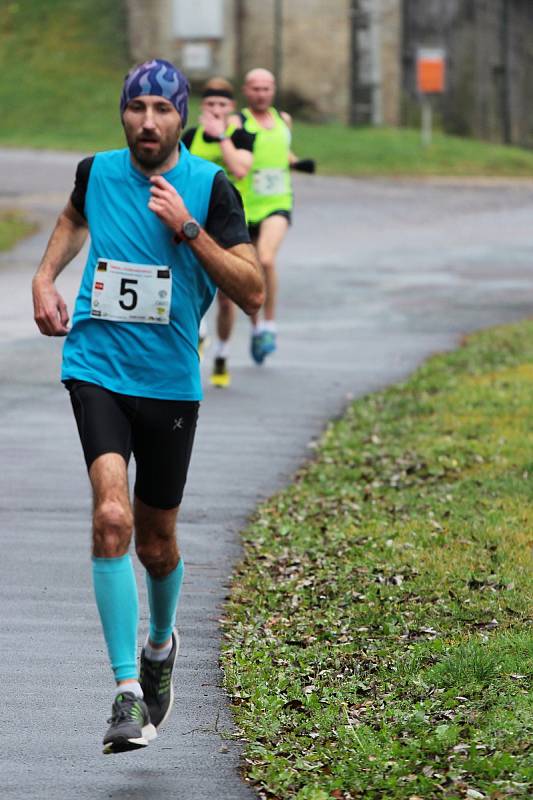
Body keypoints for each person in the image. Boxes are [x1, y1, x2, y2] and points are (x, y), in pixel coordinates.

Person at [31, 59, 264, 755]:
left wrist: (190, 229)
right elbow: (75, 216)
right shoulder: (96, 170)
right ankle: (127, 691)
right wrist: (45, 277)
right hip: (95, 365)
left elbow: (250, 290)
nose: (147, 122)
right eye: (136, 108)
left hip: (168, 384)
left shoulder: (209, 187)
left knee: (157, 543)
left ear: (181, 117)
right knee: (112, 518)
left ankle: (161, 646)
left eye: (162, 109)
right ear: (123, 113)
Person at [230, 68, 315, 365]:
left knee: (266, 258)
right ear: (246, 90)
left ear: (274, 90)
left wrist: (299, 163)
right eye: (256, 88)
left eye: (266, 88)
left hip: (278, 202)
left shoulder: (284, 120)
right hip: (245, 204)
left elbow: (283, 151)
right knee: (252, 268)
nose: (261, 94)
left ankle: (270, 325)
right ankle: (256, 331)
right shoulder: (236, 121)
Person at [182, 77, 255, 387]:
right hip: (193, 224)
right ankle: (198, 335)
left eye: (221, 105)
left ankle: (223, 354)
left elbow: (239, 169)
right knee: (189, 287)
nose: (215, 110)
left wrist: (221, 137)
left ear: (231, 109)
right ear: (202, 107)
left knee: (226, 300)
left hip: (229, 228)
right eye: (210, 104)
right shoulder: (190, 137)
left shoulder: (241, 136)